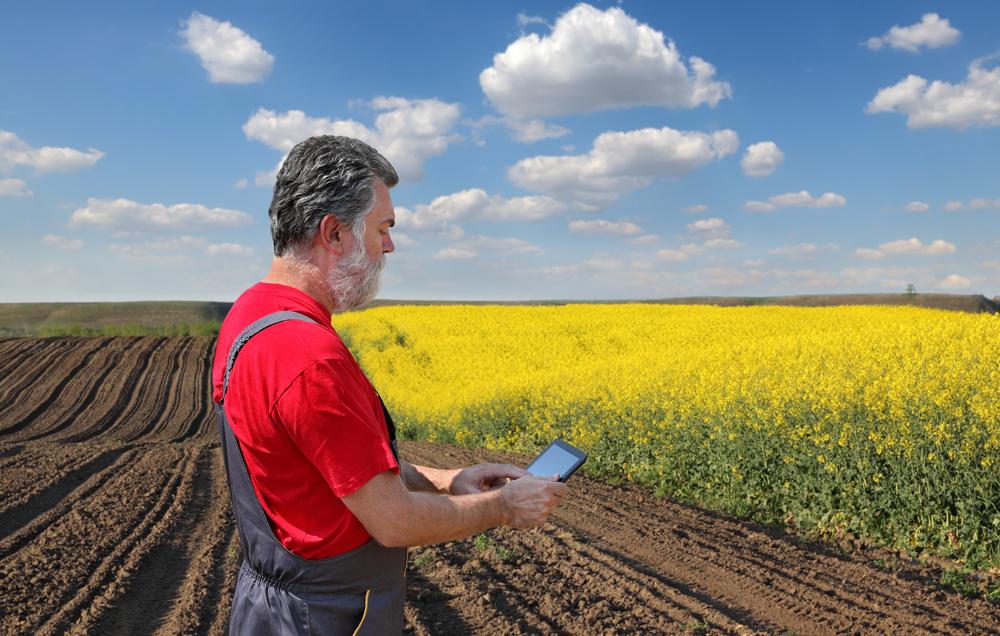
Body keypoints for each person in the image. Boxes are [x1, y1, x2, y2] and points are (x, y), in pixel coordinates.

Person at [211, 135, 567, 635]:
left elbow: (338, 471)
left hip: (276, 608)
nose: (390, 245)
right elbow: (393, 520)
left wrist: (449, 481)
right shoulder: (308, 357)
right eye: (383, 228)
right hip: (327, 618)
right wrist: (502, 506)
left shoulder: (251, 315)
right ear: (333, 233)